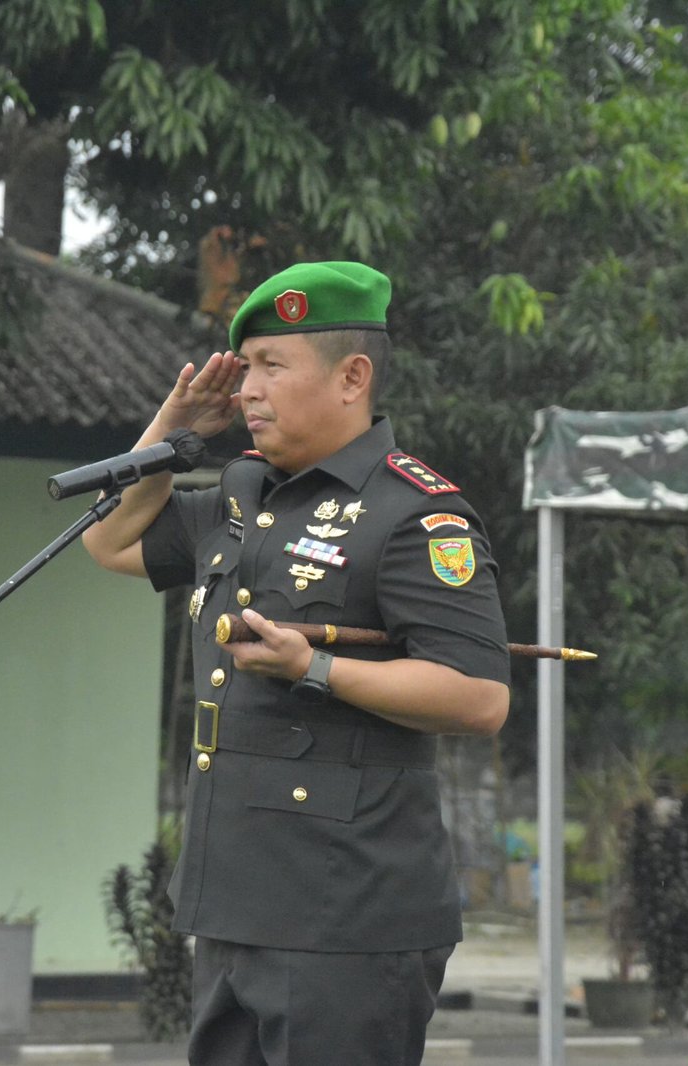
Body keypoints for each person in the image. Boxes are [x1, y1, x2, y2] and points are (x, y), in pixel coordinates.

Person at [82, 260, 510, 1065]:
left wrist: (314, 668)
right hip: (236, 899)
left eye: (272, 366)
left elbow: (479, 696)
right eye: (245, 368)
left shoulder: (415, 513)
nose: (248, 390)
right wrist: (171, 430)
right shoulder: (244, 493)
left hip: (347, 913)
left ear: (353, 378)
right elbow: (108, 542)